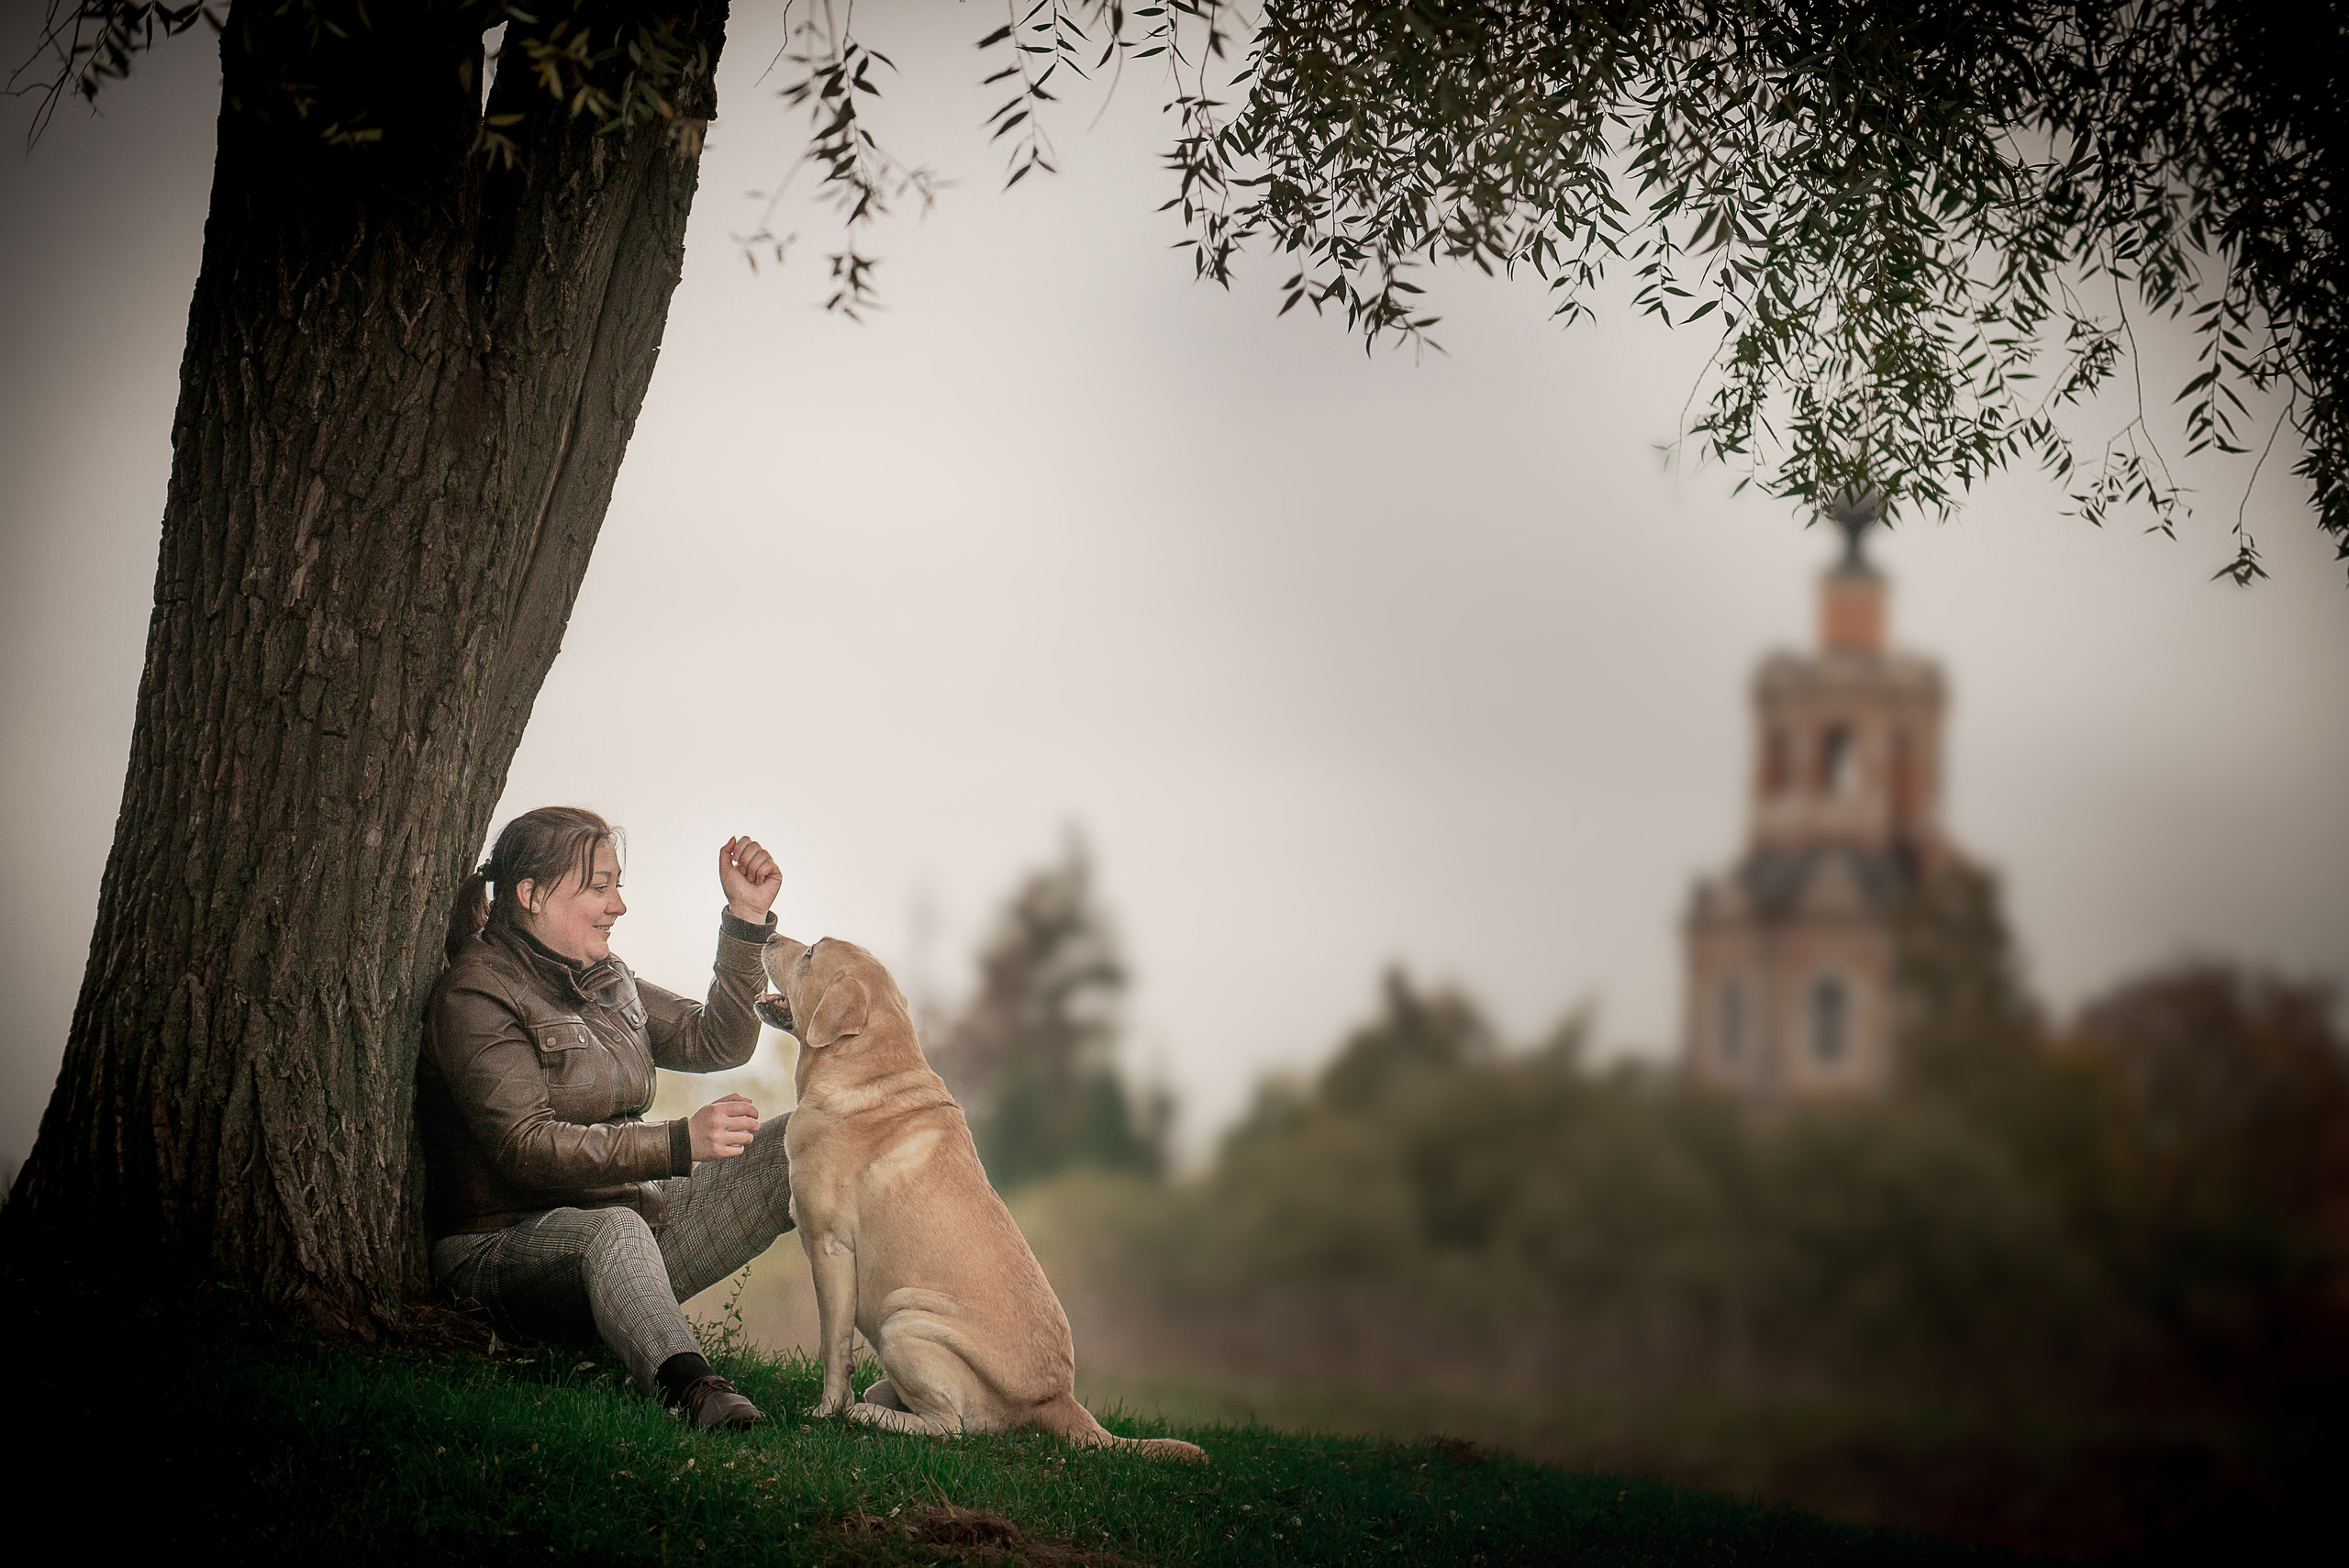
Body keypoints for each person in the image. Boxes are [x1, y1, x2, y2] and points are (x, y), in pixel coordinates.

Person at [418, 806, 793, 1429]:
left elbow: (716, 1041)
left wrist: (747, 920)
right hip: (502, 1251)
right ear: (531, 894)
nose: (618, 904)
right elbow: (525, 1145)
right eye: (599, 886)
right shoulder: (475, 993)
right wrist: (679, 1141)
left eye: (617, 883)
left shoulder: (608, 978)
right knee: (613, 1229)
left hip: (624, 1226)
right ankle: (694, 1388)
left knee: (795, 1146)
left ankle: (923, 1357)